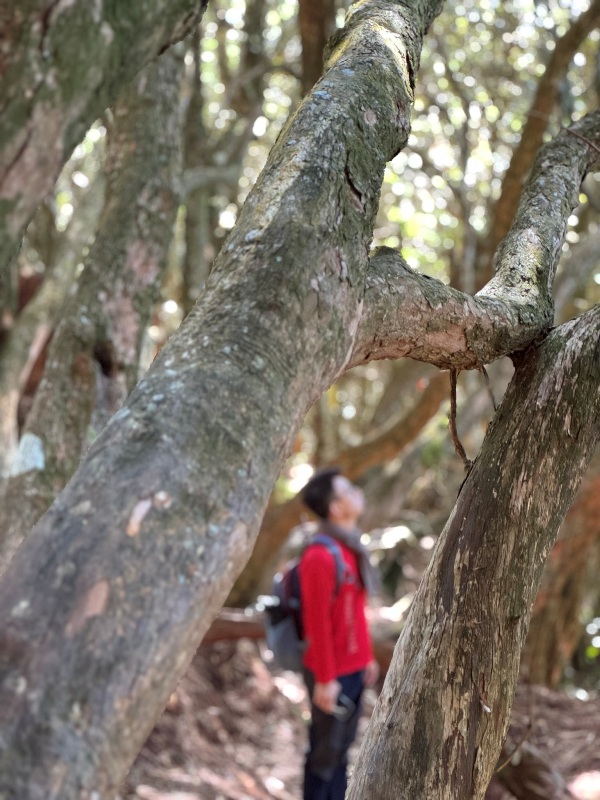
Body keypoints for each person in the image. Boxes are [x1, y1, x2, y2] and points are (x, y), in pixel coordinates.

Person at [298, 467, 380, 800]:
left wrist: (368, 657)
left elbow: (354, 612)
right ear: (334, 507)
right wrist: (325, 678)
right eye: (347, 489)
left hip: (355, 669)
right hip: (331, 675)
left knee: (341, 752)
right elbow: (316, 623)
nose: (356, 492)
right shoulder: (319, 555)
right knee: (324, 756)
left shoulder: (350, 549)